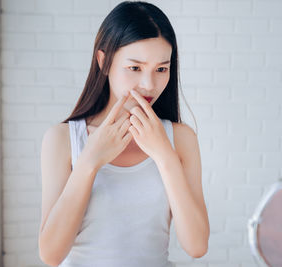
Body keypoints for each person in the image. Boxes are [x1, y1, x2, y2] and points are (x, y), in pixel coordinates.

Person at [38, 1, 210, 266]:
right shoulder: (61, 139)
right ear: (104, 61)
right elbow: (50, 255)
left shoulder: (181, 139)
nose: (149, 84)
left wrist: (165, 156)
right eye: (135, 68)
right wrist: (89, 161)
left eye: (161, 69)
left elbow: (197, 246)